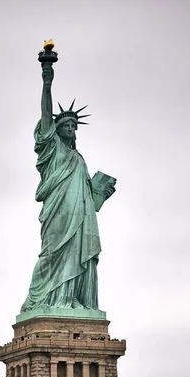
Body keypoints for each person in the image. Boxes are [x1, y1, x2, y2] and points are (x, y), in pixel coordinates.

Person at [21, 58, 115, 313]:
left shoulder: (79, 160)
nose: (72, 129)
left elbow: (89, 200)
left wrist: (101, 193)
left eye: (75, 126)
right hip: (58, 212)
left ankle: (72, 298)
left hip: (81, 216)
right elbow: (45, 117)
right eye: (67, 126)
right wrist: (47, 80)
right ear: (56, 130)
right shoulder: (52, 151)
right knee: (52, 254)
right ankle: (44, 300)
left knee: (76, 252)